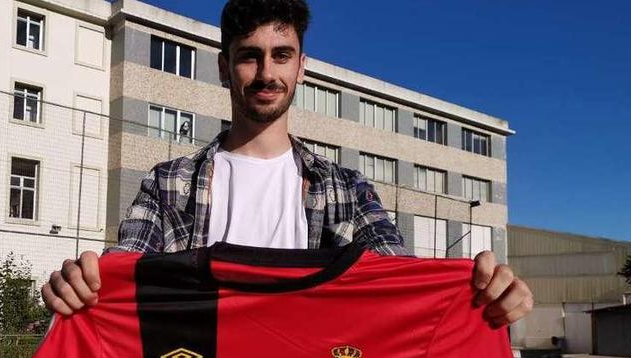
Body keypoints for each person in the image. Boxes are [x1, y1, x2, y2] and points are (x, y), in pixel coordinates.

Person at [42, 0, 533, 328]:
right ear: (223, 67)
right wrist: (82, 286)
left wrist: (481, 297)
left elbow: (399, 284)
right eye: (249, 57)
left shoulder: (347, 190)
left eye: (281, 55)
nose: (266, 73)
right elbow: (126, 276)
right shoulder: (169, 183)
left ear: (302, 67)